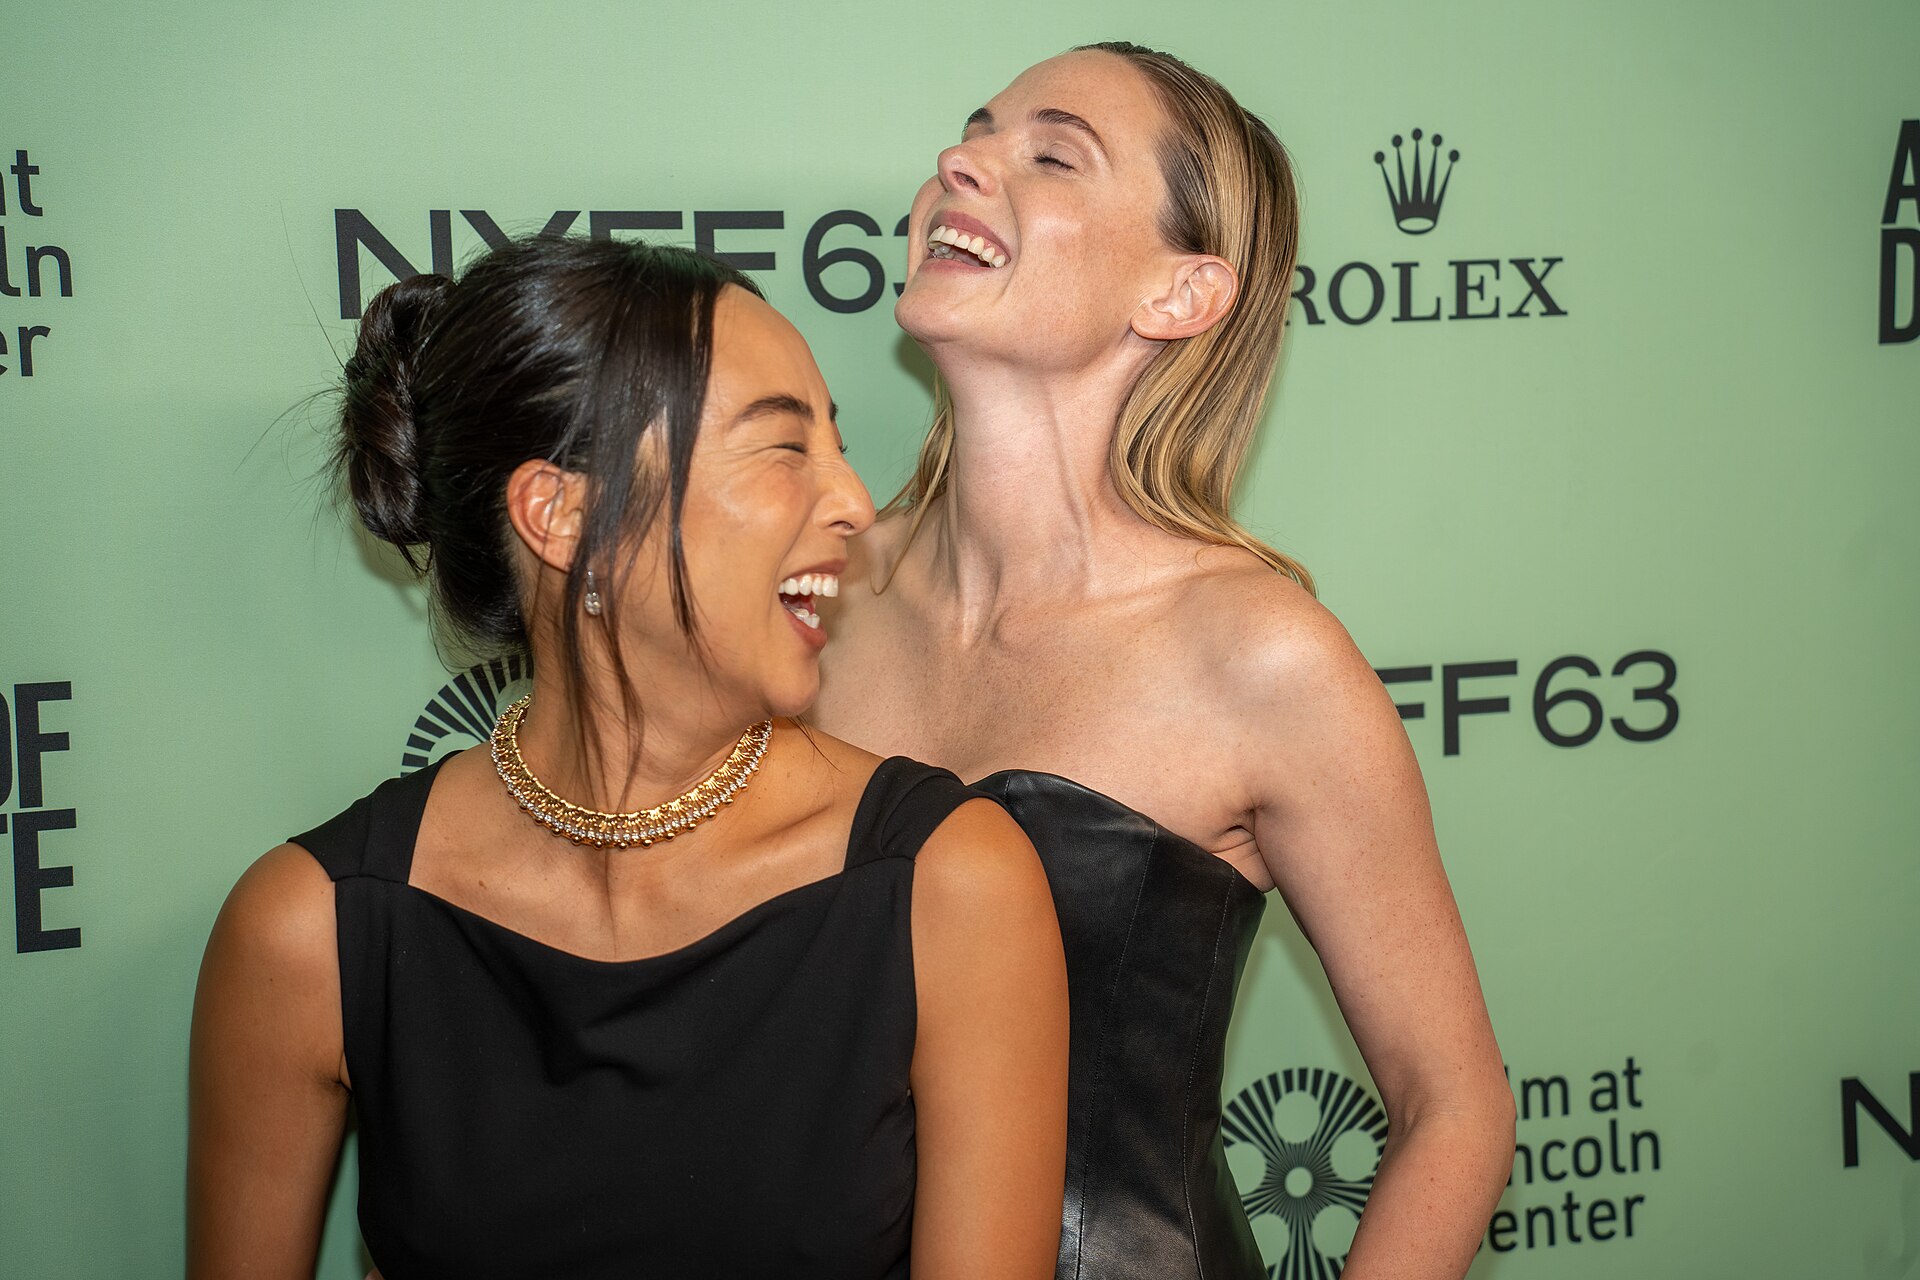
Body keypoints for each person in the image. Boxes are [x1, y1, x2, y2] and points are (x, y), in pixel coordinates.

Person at [187, 237, 1069, 1280]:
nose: (853, 504)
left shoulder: (949, 884)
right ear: (561, 516)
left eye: (833, 444)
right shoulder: (311, 930)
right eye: (784, 448)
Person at [813, 42, 1515, 1280]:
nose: (958, 162)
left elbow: (1454, 1109)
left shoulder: (1261, 655)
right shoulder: (820, 599)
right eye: (973, 134)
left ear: (1182, 295)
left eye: (1050, 154)